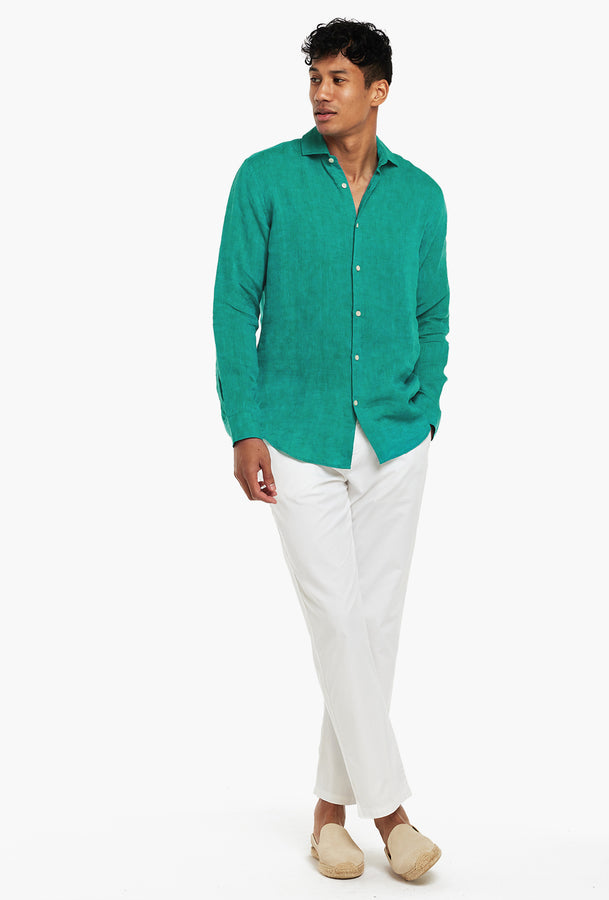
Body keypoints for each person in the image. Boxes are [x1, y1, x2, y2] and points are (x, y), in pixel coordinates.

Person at [212, 18, 450, 882]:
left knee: (373, 630)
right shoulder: (265, 178)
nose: (321, 92)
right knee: (340, 621)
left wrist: (426, 407)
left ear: (378, 91)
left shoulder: (420, 196)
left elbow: (432, 312)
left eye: (339, 79)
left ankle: (326, 816)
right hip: (297, 432)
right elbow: (233, 305)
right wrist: (244, 424)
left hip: (394, 436)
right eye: (315, 77)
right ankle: (393, 817)